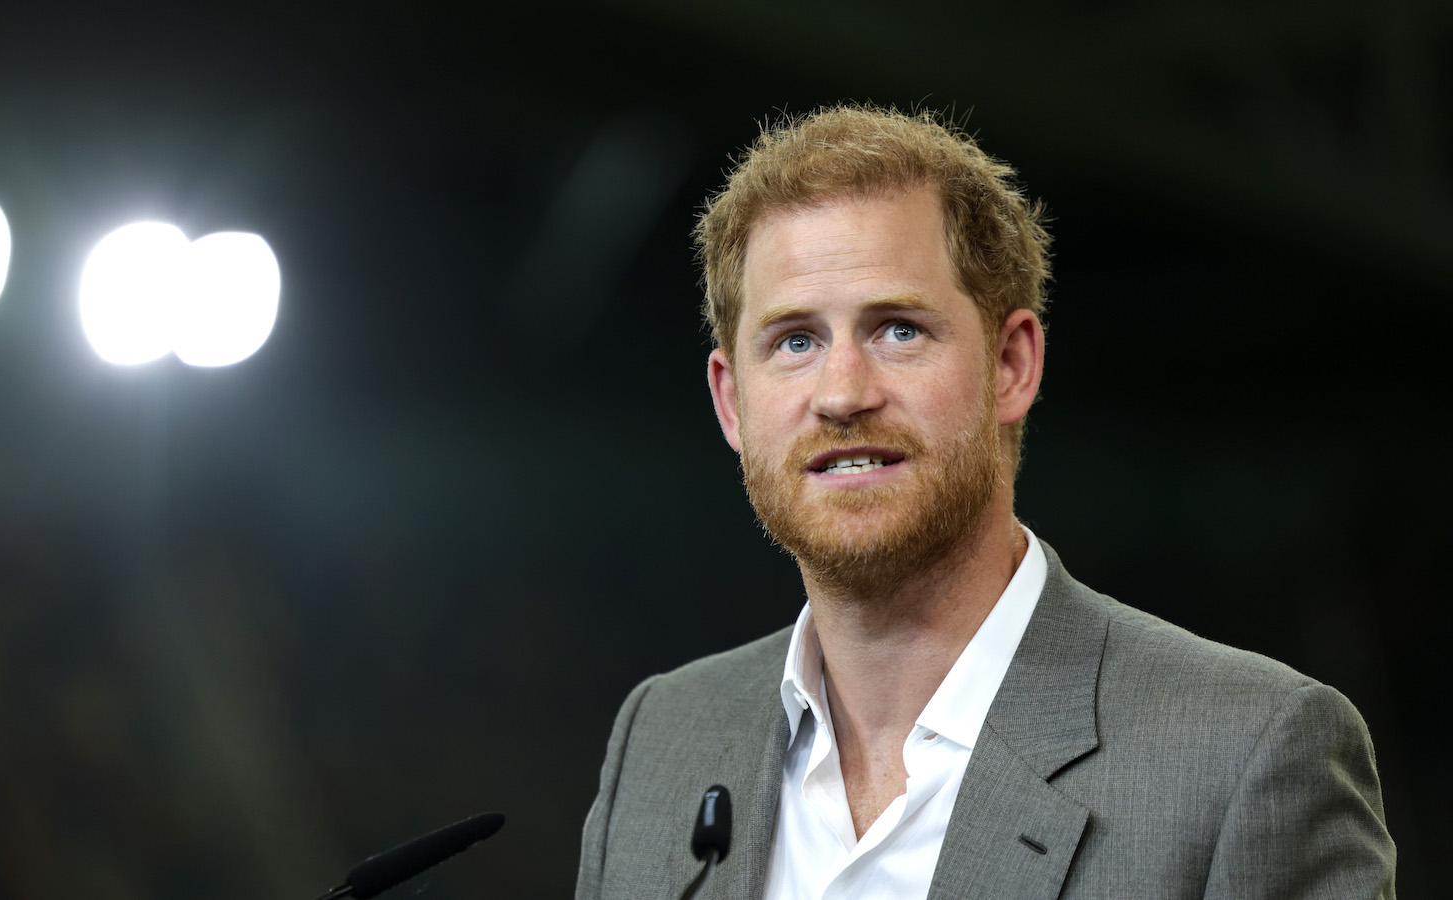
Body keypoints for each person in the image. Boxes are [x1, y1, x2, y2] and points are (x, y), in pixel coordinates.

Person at [574, 105, 1395, 899]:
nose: (841, 393)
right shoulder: (660, 740)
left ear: (1011, 365)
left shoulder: (1248, 755)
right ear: (731, 403)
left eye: (898, 329)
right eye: (795, 341)